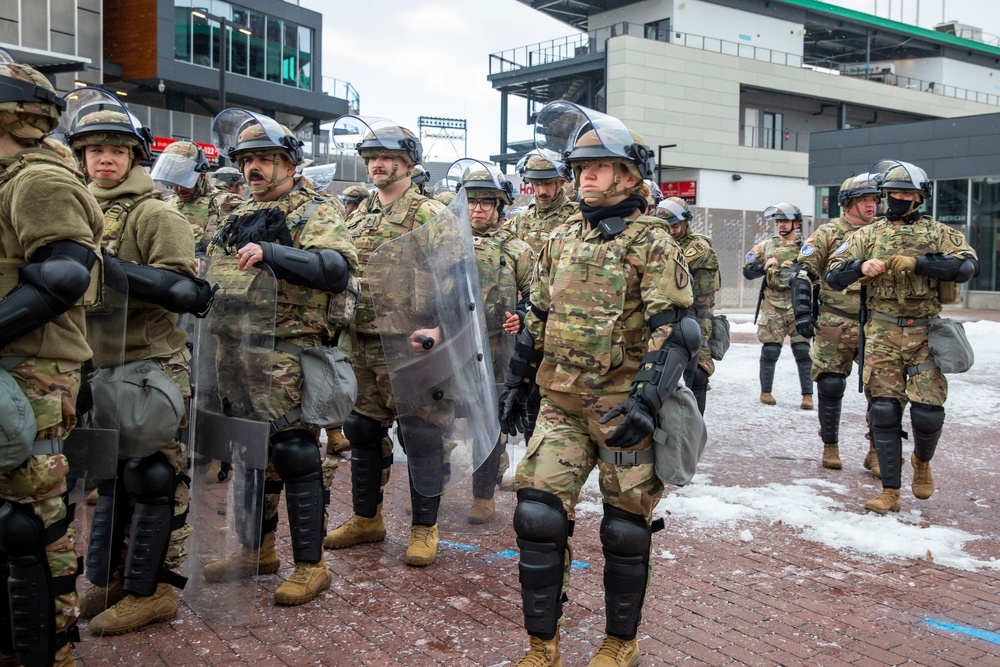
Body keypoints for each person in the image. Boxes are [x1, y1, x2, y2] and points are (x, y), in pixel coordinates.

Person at [498, 102, 697, 667]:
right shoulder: (560, 239)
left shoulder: (652, 241)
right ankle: (543, 645)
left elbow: (675, 329)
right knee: (537, 515)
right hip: (559, 404)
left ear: (630, 175)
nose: (586, 174)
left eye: (601, 165)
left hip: (622, 408)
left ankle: (619, 642)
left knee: (625, 529)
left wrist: (647, 400)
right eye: (580, 165)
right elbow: (535, 313)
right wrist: (516, 384)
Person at [62, 93, 213, 636]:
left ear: (134, 157)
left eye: (115, 151)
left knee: (151, 475)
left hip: (149, 362)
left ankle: (152, 593)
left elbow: (181, 288)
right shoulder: (74, 209)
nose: (104, 159)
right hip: (93, 361)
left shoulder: (155, 212)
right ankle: (114, 580)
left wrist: (106, 266)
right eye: (94, 150)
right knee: (112, 476)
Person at [199, 110, 357, 604]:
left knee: (294, 451)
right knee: (248, 454)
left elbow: (335, 268)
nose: (255, 168)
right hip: (233, 351)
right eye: (248, 160)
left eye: (266, 158)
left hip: (287, 350)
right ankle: (256, 551)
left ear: (289, 163)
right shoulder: (232, 214)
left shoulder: (316, 209)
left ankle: (311, 565)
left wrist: (272, 252)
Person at [0, 61, 103, 667]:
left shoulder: (37, 180)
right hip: (10, 366)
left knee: (30, 522)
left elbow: (64, 273)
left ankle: (52, 649)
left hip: (34, 373)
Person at [323, 117, 451, 567]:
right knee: (361, 430)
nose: (378, 165)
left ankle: (424, 528)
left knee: (420, 434)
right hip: (362, 341)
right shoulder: (362, 214)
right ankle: (367, 518)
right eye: (373, 157)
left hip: (411, 344)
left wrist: (437, 328)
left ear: (409, 164)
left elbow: (454, 279)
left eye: (389, 158)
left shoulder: (429, 215)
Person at [827, 160, 978, 514]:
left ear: (920, 197)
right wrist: (860, 267)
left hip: (925, 328)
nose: (899, 198)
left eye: (907, 193)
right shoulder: (866, 234)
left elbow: (968, 266)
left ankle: (922, 462)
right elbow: (833, 274)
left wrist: (919, 264)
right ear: (884, 195)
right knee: (884, 409)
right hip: (881, 329)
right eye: (894, 192)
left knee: (928, 412)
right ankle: (890, 491)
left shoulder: (939, 232)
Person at [453, 160, 533, 523]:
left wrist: (522, 314)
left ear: (499, 207)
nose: (478, 209)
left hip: (497, 352)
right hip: (450, 348)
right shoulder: (446, 241)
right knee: (433, 417)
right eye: (472, 201)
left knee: (488, 422)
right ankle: (431, 481)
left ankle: (482, 496)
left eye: (487, 202)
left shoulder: (517, 249)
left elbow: (536, 295)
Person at [789, 173, 880, 472]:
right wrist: (803, 313)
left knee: (882, 391)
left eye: (874, 200)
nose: (872, 205)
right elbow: (802, 273)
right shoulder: (829, 233)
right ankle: (830, 445)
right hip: (835, 319)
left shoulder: (884, 232)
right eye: (865, 200)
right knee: (830, 383)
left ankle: (877, 450)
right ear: (848, 203)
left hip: (877, 323)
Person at [507, 149, 578, 441]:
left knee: (548, 392)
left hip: (560, 315)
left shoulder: (576, 217)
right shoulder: (520, 220)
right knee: (521, 389)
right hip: (526, 314)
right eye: (536, 184)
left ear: (561, 182)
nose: (542, 190)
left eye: (549, 183)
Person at [742, 203, 813, 409]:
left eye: (785, 221)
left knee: (802, 350)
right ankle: (766, 392)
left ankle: (807, 396)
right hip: (772, 305)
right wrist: (763, 266)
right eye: (779, 222)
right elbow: (747, 271)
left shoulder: (807, 248)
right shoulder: (765, 247)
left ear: (796, 223)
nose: (781, 225)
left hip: (797, 305)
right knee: (770, 350)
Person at [654, 197, 720, 414]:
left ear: (685, 222)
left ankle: (693, 429)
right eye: (665, 227)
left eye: (674, 226)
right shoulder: (659, 242)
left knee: (698, 372)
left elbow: (672, 266)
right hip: (669, 311)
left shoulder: (699, 245)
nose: (671, 231)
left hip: (698, 314)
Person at [153, 141, 242, 254]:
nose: (179, 189)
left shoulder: (227, 203)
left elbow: (238, 249)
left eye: (184, 181)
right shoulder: (166, 203)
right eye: (175, 182)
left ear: (202, 176)